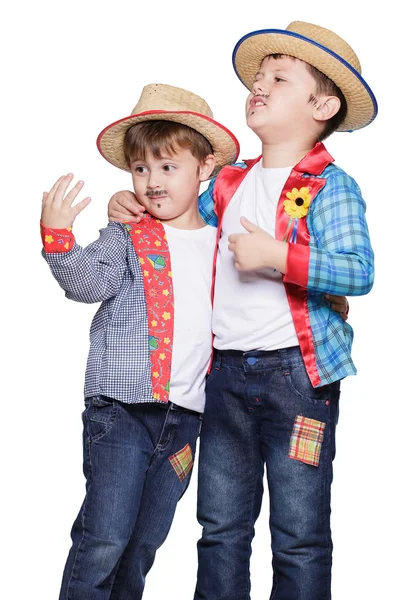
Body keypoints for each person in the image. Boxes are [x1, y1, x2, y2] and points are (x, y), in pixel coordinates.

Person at [107, 21, 375, 600]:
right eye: (257, 77)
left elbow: (359, 270)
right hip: (224, 377)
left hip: (299, 379)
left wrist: (280, 255)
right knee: (221, 527)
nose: (259, 85)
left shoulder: (331, 187)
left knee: (299, 533)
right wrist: (125, 201)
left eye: (278, 78)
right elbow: (174, 212)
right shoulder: (227, 184)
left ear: (322, 105)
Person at [40, 83, 239, 600]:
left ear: (206, 168)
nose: (151, 182)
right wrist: (58, 236)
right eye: (141, 169)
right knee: (104, 536)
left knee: (144, 542)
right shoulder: (129, 234)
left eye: (168, 167)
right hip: (122, 409)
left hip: (187, 417)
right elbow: (88, 282)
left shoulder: (224, 241)